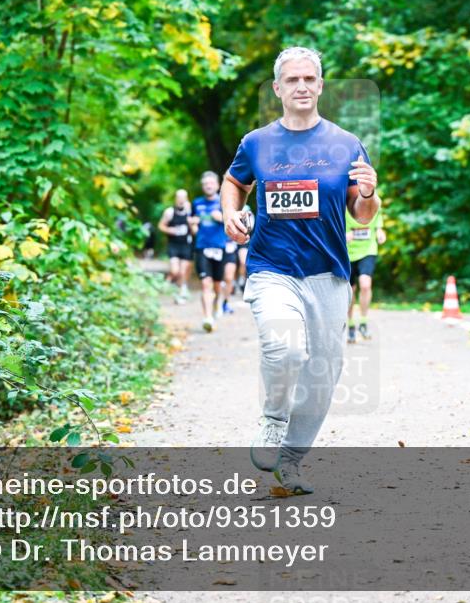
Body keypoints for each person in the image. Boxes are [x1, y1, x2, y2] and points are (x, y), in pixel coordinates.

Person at [221, 46, 380, 494]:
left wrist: (369, 192)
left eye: (309, 79)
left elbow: (363, 214)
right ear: (278, 89)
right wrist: (230, 214)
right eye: (292, 80)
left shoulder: (346, 144)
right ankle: (273, 420)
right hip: (273, 268)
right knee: (285, 348)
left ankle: (290, 461)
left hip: (328, 273)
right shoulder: (257, 142)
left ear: (321, 86)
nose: (302, 86)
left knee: (323, 374)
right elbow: (234, 182)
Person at [190, 171, 227, 332]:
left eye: (211, 183)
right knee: (206, 284)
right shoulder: (196, 203)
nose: (208, 186)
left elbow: (236, 223)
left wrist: (223, 217)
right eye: (205, 184)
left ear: (217, 185)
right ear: (202, 186)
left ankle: (216, 304)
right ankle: (207, 318)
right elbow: (193, 227)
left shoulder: (224, 202)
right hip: (202, 247)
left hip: (220, 247)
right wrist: (193, 225)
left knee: (217, 286)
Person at [346, 205, 385, 342]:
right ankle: (350, 325)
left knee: (365, 284)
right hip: (347, 253)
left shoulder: (372, 201)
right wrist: (342, 236)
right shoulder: (342, 201)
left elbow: (378, 225)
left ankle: (363, 322)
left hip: (368, 250)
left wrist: (380, 233)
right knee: (349, 291)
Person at [158, 189, 193, 303]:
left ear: (187, 198)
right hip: (174, 244)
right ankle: (167, 282)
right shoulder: (169, 212)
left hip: (186, 244)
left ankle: (181, 291)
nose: (181, 200)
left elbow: (195, 230)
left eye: (184, 197)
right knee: (175, 270)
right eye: (179, 197)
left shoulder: (191, 211)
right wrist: (170, 230)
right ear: (176, 198)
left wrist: (191, 222)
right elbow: (161, 226)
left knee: (183, 272)